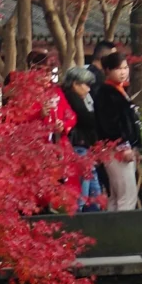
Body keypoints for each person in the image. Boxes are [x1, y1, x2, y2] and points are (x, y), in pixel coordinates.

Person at [92, 52, 141, 211]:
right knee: (126, 195)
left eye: (126, 68)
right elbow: (111, 124)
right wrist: (124, 146)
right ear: (107, 70)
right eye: (118, 69)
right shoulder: (106, 92)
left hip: (117, 147)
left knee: (116, 195)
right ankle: (124, 232)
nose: (123, 72)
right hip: (116, 148)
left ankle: (114, 230)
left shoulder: (118, 90)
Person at [54, 65, 103, 211]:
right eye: (86, 85)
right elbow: (86, 118)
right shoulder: (70, 97)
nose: (89, 89)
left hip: (85, 147)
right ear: (75, 83)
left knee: (94, 192)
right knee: (83, 193)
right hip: (78, 147)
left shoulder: (84, 98)